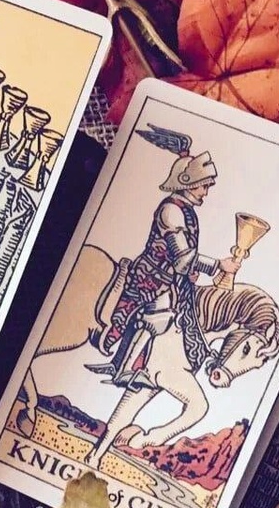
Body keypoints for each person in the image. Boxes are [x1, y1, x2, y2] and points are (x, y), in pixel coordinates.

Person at [88, 148, 240, 389]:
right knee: (154, 320)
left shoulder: (184, 209)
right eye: (203, 186)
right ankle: (124, 369)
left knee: (150, 320)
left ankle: (120, 365)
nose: (205, 192)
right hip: (152, 276)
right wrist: (218, 265)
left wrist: (190, 272)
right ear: (187, 182)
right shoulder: (172, 210)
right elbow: (181, 257)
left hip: (163, 277)